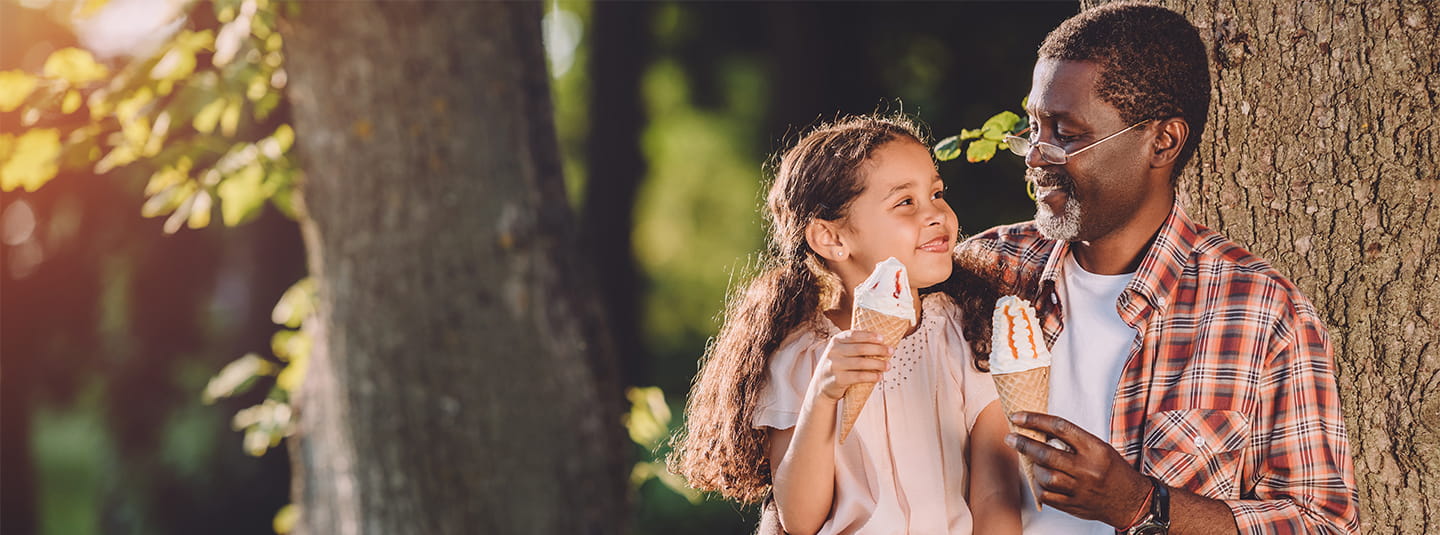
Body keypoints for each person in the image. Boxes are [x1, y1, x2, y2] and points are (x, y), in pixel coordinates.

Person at [956, 3, 1360, 534]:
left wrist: (1142, 505)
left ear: (1162, 141)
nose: (1035, 155)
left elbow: (1323, 523)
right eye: (1034, 127)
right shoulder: (988, 269)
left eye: (1066, 133)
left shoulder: (1261, 312)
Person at [669, 114, 1023, 535]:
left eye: (937, 193)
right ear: (831, 239)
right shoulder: (799, 356)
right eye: (905, 202)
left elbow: (995, 494)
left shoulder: (966, 332)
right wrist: (822, 396)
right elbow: (800, 520)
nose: (937, 215)